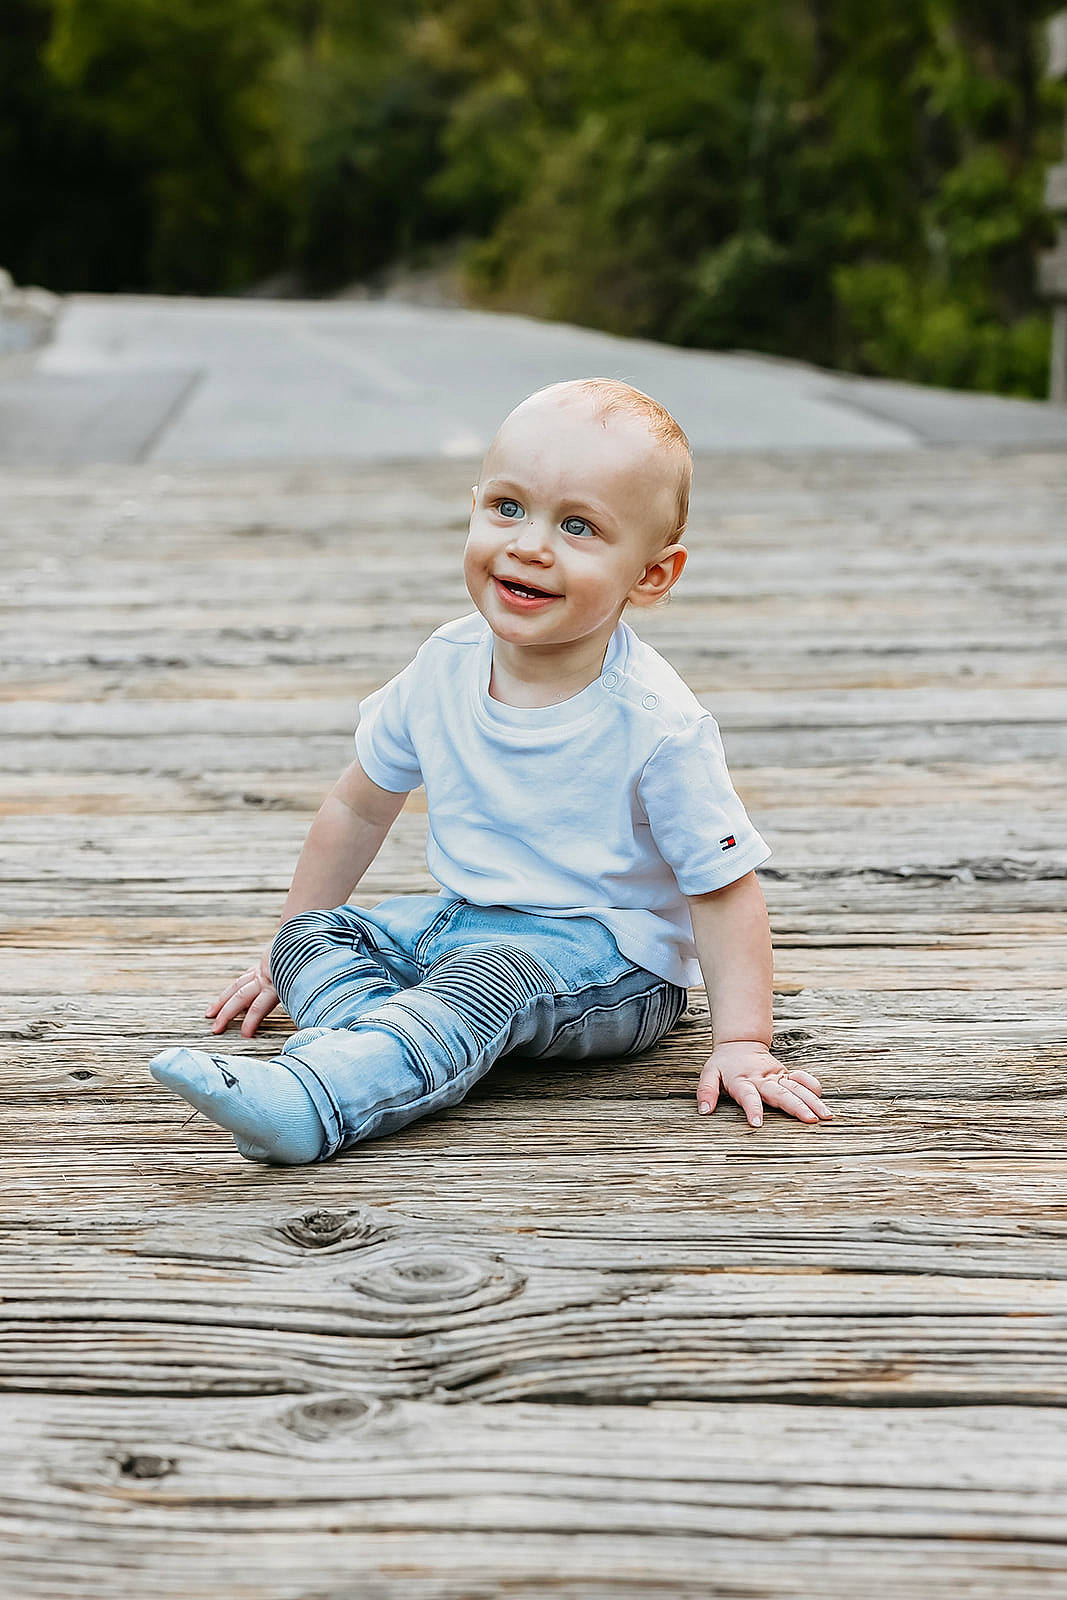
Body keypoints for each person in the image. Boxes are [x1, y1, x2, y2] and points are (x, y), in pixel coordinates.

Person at [150, 378, 832, 1163]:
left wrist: (742, 1040)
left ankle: (317, 1099)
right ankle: (392, 1046)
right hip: (461, 919)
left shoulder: (654, 722)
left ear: (651, 575)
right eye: (506, 507)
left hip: (611, 962)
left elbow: (723, 889)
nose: (529, 544)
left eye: (577, 526)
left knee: (489, 977)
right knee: (312, 935)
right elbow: (358, 809)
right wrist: (277, 952)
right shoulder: (443, 665)